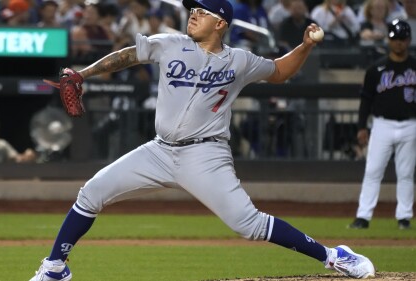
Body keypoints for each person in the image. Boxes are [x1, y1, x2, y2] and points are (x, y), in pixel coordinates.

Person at [29, 0, 376, 280]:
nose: (192, 14)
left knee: (249, 224)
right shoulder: (170, 44)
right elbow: (128, 56)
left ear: (220, 23)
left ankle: (334, 256)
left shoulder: (239, 61)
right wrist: (84, 73)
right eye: (191, 9)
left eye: (201, 11)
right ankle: (56, 268)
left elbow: (281, 71)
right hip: (159, 150)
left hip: (205, 155)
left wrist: (304, 46)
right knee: (91, 193)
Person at [349, 19, 416, 231]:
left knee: (406, 173)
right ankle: (363, 216)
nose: (399, 43)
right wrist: (362, 126)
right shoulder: (375, 69)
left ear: (409, 40)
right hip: (382, 125)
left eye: (402, 39)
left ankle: (404, 217)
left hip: (410, 125)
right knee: (373, 171)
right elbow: (366, 100)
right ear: (388, 40)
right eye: (395, 38)